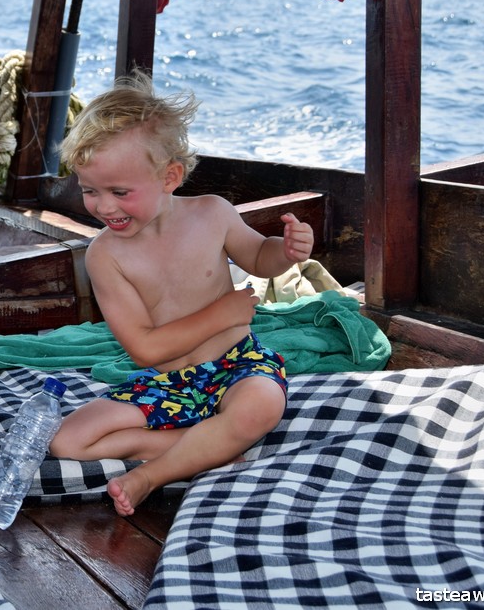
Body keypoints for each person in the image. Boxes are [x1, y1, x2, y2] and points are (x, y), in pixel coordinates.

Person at [47, 71, 314, 516]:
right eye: (90, 191)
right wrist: (224, 313)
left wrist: (285, 252)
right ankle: (210, 446)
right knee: (65, 441)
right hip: (168, 383)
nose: (104, 206)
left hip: (235, 367)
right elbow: (145, 349)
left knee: (263, 404)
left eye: (120, 192)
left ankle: (152, 473)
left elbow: (259, 259)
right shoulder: (104, 256)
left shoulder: (213, 214)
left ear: (169, 177)